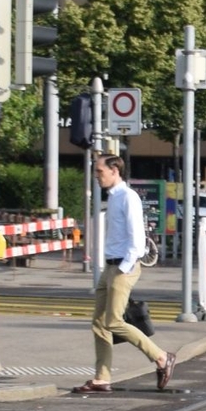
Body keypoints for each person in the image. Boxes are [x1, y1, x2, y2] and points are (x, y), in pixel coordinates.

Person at [79, 152, 171, 393]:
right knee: (99, 323)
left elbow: (137, 240)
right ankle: (101, 378)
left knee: (113, 321)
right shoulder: (113, 198)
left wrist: (122, 267)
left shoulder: (128, 197)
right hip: (110, 266)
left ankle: (161, 357)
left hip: (123, 266)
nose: (96, 176)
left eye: (100, 171)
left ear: (114, 171)